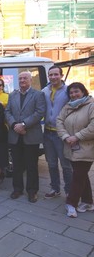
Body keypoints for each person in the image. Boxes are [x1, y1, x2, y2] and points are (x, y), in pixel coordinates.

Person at [5, 71, 46, 203]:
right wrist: (14, 125)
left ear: (30, 80)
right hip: (15, 135)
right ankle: (17, 189)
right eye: (20, 78)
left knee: (31, 165)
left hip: (31, 135)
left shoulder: (38, 94)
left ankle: (32, 191)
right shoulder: (12, 95)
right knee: (17, 165)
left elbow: (40, 112)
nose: (22, 80)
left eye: (25, 78)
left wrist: (24, 124)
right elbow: (7, 111)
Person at [56, 82, 94, 218]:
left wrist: (76, 137)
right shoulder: (68, 106)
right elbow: (59, 121)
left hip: (86, 147)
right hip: (71, 146)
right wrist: (66, 137)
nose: (74, 94)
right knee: (82, 176)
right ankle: (88, 201)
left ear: (83, 91)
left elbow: (92, 127)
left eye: (76, 91)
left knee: (77, 177)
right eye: (71, 93)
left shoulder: (91, 105)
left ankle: (71, 203)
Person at [42, 65, 72, 198]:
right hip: (48, 133)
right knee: (52, 163)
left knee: (66, 164)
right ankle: (55, 188)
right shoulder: (45, 91)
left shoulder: (68, 91)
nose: (53, 77)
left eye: (56, 74)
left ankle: (69, 191)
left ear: (61, 75)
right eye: (51, 75)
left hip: (62, 133)